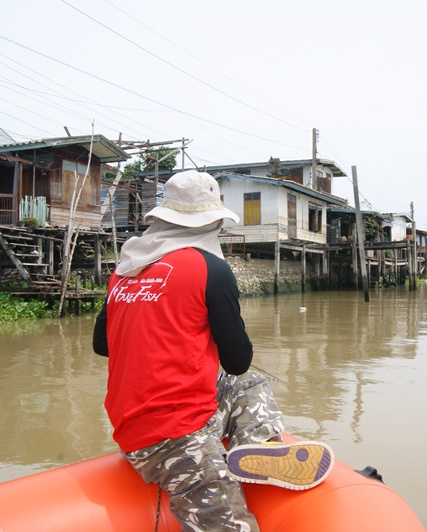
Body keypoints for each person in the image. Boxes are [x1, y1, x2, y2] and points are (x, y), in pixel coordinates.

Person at [92, 170, 333, 531]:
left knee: (245, 385)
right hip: (172, 437)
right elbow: (237, 360)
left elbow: (102, 345)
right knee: (234, 524)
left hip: (129, 422)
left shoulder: (126, 270)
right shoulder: (212, 270)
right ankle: (254, 442)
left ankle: (257, 450)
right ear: (211, 223)